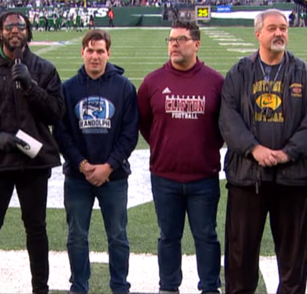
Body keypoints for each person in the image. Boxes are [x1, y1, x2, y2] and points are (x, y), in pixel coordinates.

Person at [0, 11, 65, 294]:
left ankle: (40, 288)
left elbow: (56, 113)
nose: (15, 30)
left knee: (36, 228)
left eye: (20, 26)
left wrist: (32, 86)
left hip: (34, 163)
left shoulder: (44, 69)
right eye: (9, 26)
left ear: (29, 31)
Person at [219, 9, 307, 294]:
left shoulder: (302, 72)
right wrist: (253, 148)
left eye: (283, 27)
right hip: (247, 178)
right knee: (240, 258)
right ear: (258, 33)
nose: (279, 33)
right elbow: (227, 118)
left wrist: (288, 152)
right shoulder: (240, 71)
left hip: (293, 179)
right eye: (272, 28)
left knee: (295, 261)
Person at [137, 20, 224, 294]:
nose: (174, 44)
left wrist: (203, 148)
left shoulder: (215, 81)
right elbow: (144, 122)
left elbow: (224, 126)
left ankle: (210, 287)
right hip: (165, 176)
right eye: (171, 39)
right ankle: (169, 287)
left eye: (181, 39)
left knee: (206, 237)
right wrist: (165, 145)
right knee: (168, 238)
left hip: (204, 177)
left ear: (196, 44)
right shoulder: (153, 81)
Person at [53, 29, 138, 294]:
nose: (95, 56)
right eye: (90, 50)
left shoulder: (124, 87)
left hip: (114, 177)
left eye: (100, 51)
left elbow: (129, 132)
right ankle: (79, 286)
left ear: (108, 53)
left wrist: (109, 166)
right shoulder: (68, 88)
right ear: (82, 52)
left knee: (118, 237)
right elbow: (61, 132)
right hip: (78, 177)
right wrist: (81, 164)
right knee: (76, 236)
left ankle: (120, 286)